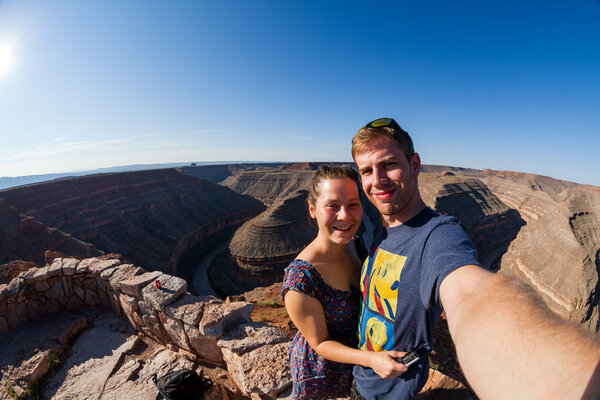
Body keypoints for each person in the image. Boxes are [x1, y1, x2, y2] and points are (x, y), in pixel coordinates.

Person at [349, 117, 600, 400]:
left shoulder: (438, 236)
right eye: (367, 171)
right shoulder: (381, 233)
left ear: (415, 165)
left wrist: (568, 381)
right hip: (361, 381)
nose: (378, 180)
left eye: (388, 164)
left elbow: (471, 293)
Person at [282, 165, 406, 400]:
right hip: (322, 375)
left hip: (358, 367)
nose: (345, 216)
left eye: (353, 204)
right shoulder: (301, 280)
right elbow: (320, 343)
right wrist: (371, 359)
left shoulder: (355, 244)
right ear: (312, 209)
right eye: (332, 206)